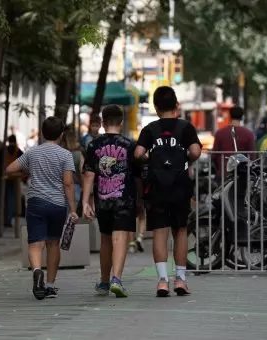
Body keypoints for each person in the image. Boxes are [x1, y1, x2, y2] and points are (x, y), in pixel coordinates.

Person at [135, 86, 201, 297]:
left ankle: (162, 281)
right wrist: (188, 160)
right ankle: (180, 279)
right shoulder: (185, 127)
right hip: (180, 185)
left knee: (160, 232)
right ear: (176, 106)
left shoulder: (150, 129)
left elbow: (138, 153)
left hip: (158, 187)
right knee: (180, 231)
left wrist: (150, 160)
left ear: (156, 107)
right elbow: (195, 151)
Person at [6, 116, 78, 300]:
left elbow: (9, 169)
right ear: (61, 134)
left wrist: (28, 170)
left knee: (35, 243)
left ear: (43, 132)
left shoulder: (32, 153)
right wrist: (73, 208)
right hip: (57, 204)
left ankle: (37, 270)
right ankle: (50, 285)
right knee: (53, 244)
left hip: (36, 202)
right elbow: (68, 183)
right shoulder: (65, 155)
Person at [82, 105, 142, 298]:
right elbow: (138, 176)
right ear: (121, 122)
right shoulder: (130, 145)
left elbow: (89, 175)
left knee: (106, 239)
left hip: (102, 199)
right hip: (125, 199)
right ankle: (117, 279)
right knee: (120, 237)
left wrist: (85, 202)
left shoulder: (93, 145)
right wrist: (140, 199)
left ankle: (104, 281)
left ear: (103, 122)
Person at [211, 106, 256, 176]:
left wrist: (219, 168)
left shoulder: (220, 133)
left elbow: (214, 155)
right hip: (243, 173)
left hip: (224, 171)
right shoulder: (248, 134)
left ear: (230, 116)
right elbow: (252, 156)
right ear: (242, 117)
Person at [3, 134, 24, 228]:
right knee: (12, 199)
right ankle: (9, 219)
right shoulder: (18, 151)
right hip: (15, 178)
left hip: (5, 178)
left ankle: (6, 219)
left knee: (5, 199)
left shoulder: (4, 150)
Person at [60, 127, 84, 204]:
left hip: (60, 188)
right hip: (76, 187)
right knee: (74, 214)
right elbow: (82, 171)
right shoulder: (79, 154)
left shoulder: (60, 154)